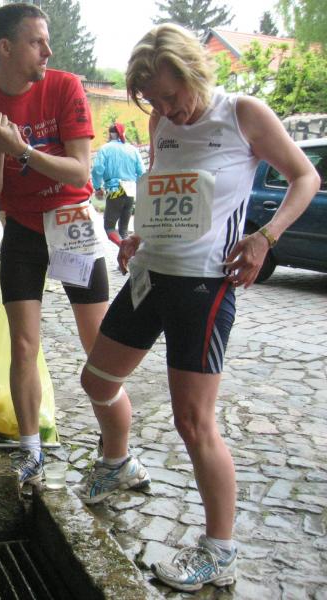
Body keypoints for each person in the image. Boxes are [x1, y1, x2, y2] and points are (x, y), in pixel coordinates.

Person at [75, 23, 319, 592]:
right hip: (149, 275)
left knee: (193, 421)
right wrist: (138, 235)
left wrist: (265, 237)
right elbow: (166, 187)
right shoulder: (162, 122)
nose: (165, 110)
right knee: (96, 379)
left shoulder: (243, 114)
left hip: (204, 286)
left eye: (170, 95)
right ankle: (119, 463)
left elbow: (305, 177)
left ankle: (220, 550)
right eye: (153, 101)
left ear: (193, 71)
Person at [0, 3, 109, 486]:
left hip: (71, 221)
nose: (48, 50)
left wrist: (22, 149)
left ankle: (115, 447)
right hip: (23, 230)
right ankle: (30, 450)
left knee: (99, 344)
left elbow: (80, 171)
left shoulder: (65, 87)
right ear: (6, 48)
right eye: (37, 42)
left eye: (46, 41)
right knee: (23, 344)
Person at [92, 122, 145, 245]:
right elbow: (142, 172)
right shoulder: (133, 150)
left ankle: (125, 249)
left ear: (110, 135)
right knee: (123, 231)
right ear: (123, 134)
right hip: (130, 192)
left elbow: (97, 169)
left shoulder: (105, 149)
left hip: (115, 191)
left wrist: (97, 187)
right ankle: (127, 254)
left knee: (109, 227)